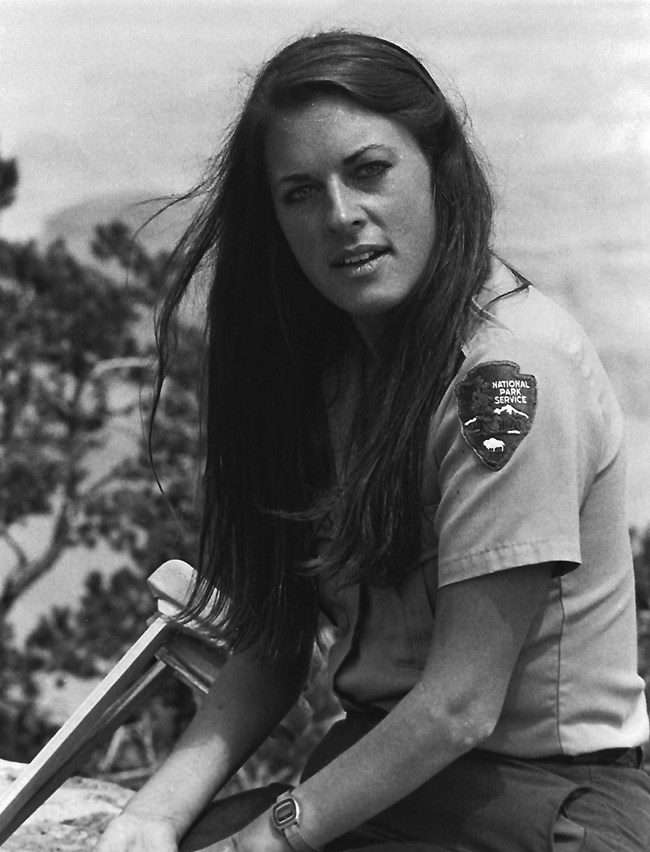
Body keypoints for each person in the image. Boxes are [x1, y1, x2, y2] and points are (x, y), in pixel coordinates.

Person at [95, 30, 650, 852]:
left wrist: (272, 838)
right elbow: (274, 645)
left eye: (368, 171)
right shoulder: (325, 372)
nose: (341, 217)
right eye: (299, 193)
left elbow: (458, 707)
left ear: (438, 165)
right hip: (387, 782)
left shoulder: (505, 376)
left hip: (548, 811)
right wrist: (152, 815)